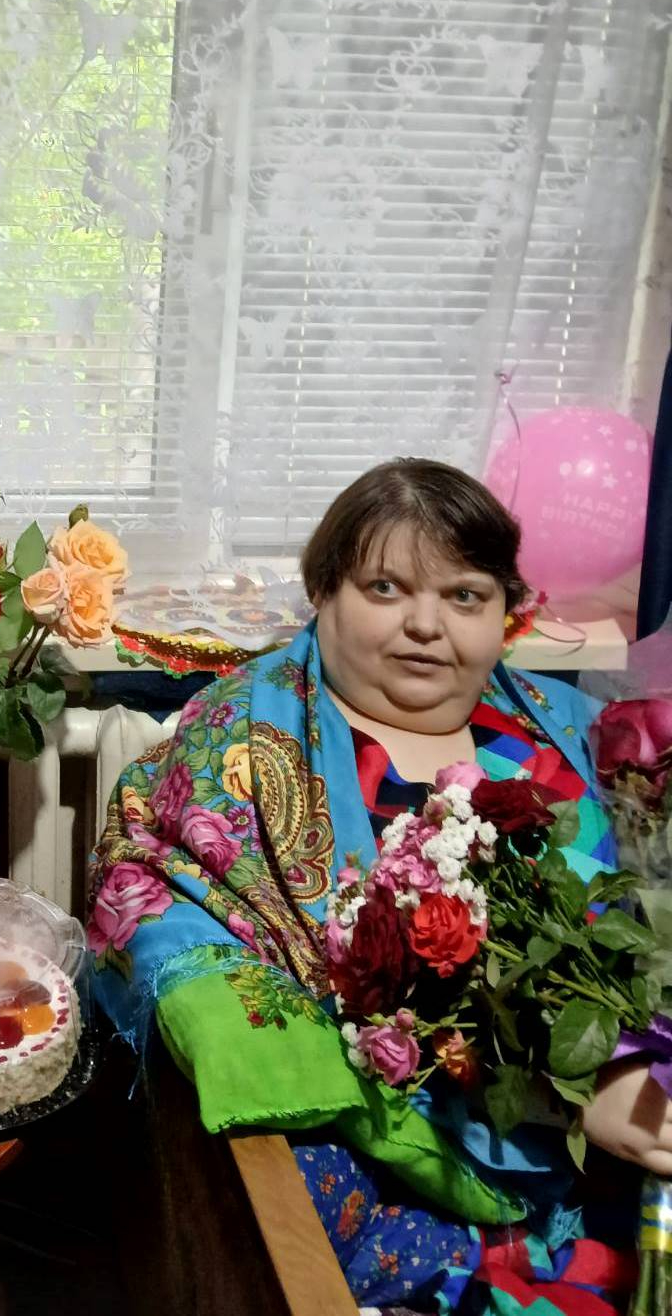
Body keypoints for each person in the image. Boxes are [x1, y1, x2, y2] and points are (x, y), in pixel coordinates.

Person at [87, 459, 666, 1312]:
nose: (425, 625)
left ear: (507, 613)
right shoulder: (238, 737)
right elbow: (146, 881)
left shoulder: (577, 734)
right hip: (395, 1160)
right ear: (324, 592)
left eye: (464, 596)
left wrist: (636, 1061)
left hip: (625, 1143)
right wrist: (575, 1090)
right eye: (386, 588)